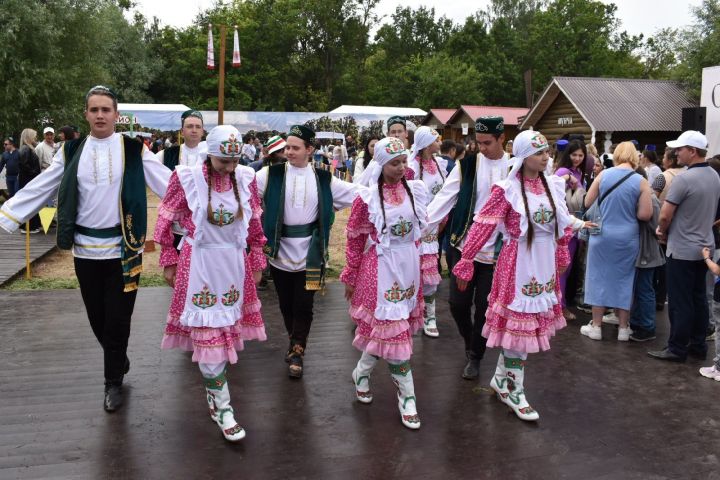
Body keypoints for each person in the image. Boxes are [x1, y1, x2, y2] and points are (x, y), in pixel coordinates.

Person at [0, 85, 170, 412]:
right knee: (97, 317)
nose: (101, 115)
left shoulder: (134, 150)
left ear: (117, 115)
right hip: (85, 251)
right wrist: (8, 215)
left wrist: (199, 207)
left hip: (125, 250)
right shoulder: (71, 150)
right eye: (94, 110)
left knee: (118, 319)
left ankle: (112, 383)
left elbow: (167, 182)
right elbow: (42, 186)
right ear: (86, 114)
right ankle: (117, 358)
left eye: (106, 110)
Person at [452, 130, 592, 421]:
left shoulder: (553, 186)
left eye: (546, 152)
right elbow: (482, 226)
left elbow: (562, 224)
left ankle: (502, 379)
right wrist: (466, 259)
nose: (545, 157)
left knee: (524, 330)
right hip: (518, 265)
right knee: (520, 329)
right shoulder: (507, 190)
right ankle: (515, 390)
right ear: (523, 155)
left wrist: (562, 251)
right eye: (538, 152)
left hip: (543, 265)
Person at [154, 125, 266, 442]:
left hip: (232, 263)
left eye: (234, 162)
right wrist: (168, 259)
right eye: (223, 162)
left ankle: (215, 395)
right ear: (210, 155)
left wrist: (257, 259)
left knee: (223, 333)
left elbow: (254, 223)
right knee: (208, 335)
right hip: (199, 262)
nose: (230, 168)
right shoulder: (187, 178)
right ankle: (224, 408)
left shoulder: (246, 178)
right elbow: (165, 218)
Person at [255, 124, 358, 378]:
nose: (288, 152)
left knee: (305, 303)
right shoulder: (269, 175)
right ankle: (294, 341)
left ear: (310, 149)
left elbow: (358, 195)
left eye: (294, 147)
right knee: (286, 303)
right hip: (279, 252)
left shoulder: (324, 178)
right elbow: (242, 191)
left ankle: (298, 350)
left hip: (310, 254)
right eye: (287, 147)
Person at [341, 136, 428, 429]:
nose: (402, 167)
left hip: (409, 268)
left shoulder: (416, 190)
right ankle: (408, 397)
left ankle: (361, 371)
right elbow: (354, 240)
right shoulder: (366, 198)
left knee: (389, 333)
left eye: (404, 160)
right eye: (395, 162)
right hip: (382, 270)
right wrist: (351, 275)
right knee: (394, 334)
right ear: (381, 164)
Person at [426, 116, 512, 380]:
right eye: (479, 142)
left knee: (485, 307)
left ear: (502, 139)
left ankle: (475, 356)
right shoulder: (467, 165)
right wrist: (421, 226)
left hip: (497, 252)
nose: (482, 148)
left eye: (488, 143)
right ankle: (470, 339)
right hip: (464, 246)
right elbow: (444, 197)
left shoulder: (514, 167)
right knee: (457, 304)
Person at [649, 131, 720, 362]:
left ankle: (677, 348)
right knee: (699, 297)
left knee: (680, 302)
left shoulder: (684, 179)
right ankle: (698, 345)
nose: (675, 152)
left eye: (680, 149)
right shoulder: (714, 176)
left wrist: (662, 231)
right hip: (704, 247)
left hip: (681, 249)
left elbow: (665, 215)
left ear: (693, 151)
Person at [580, 142, 652, 341]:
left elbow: (587, 202)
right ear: (635, 158)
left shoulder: (604, 175)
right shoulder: (641, 181)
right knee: (624, 279)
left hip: (601, 234)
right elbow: (645, 215)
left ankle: (596, 326)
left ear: (617, 155)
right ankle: (623, 328)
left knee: (598, 278)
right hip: (627, 237)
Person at [407, 126, 445, 337]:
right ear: (426, 143)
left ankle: (430, 315)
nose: (440, 142)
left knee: (430, 276)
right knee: (413, 271)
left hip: (434, 227)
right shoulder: (411, 166)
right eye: (436, 139)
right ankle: (412, 314)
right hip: (416, 227)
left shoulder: (440, 164)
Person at [553, 141, 587, 320]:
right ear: (568, 154)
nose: (577, 158)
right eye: (574, 155)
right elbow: (553, 187)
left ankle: (560, 304)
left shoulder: (579, 172)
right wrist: (568, 179)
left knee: (567, 267)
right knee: (562, 268)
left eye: (581, 155)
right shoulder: (563, 172)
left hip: (574, 226)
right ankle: (559, 307)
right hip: (564, 227)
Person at [17, 129, 42, 233]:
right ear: (29, 137)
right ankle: (28, 227)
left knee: (31, 203)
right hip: (28, 181)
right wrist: (34, 173)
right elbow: (24, 165)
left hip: (29, 180)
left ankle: (32, 225)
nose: (35, 138)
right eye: (34, 136)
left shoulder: (28, 148)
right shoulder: (26, 149)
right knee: (29, 203)